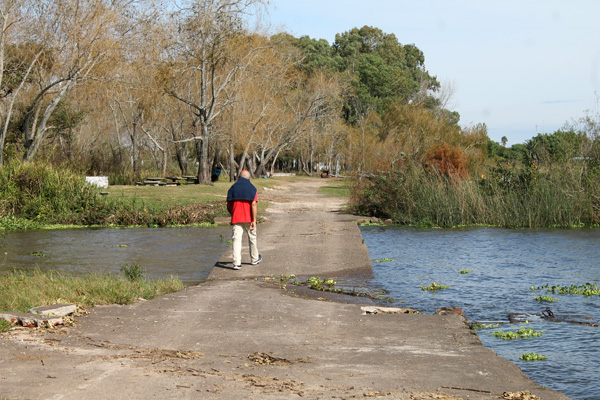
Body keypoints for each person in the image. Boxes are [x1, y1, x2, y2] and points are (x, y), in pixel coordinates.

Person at [226, 170, 262, 270]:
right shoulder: (252, 188)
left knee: (236, 240)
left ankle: (237, 263)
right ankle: (254, 259)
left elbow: (228, 204)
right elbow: (253, 204)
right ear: (249, 178)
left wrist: (232, 214)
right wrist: (254, 220)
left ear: (239, 177)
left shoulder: (232, 188)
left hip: (236, 218)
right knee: (252, 238)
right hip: (249, 218)